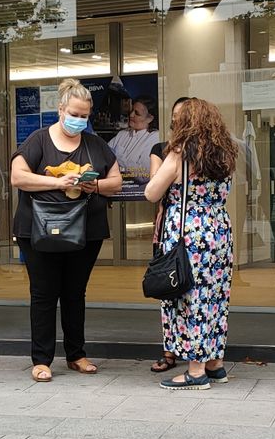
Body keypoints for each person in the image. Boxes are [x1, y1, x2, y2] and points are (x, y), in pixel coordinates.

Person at [10, 79, 124, 382]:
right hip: (39, 228)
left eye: (85, 116)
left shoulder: (95, 144)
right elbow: (18, 177)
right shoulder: (38, 140)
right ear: (61, 109)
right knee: (44, 293)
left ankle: (77, 354)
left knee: (75, 292)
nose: (80, 120)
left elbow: (116, 182)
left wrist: (93, 184)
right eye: (75, 113)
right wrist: (58, 182)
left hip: (85, 230)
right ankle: (42, 359)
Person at [144, 98, 236, 390]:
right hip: (218, 230)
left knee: (189, 298)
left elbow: (151, 192)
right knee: (215, 298)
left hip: (188, 234)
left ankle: (195, 371)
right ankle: (215, 364)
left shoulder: (179, 154)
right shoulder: (224, 154)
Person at [147, 96, 192, 374]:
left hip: (186, 228)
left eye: (184, 114)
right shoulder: (161, 149)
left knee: (192, 292)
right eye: (175, 114)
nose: (178, 119)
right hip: (166, 229)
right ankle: (169, 349)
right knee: (168, 287)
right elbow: (156, 189)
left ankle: (191, 346)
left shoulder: (203, 151)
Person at [108, 95, 159, 183]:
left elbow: (144, 175)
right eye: (131, 111)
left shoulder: (154, 137)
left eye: (137, 113)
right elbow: (104, 155)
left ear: (150, 118)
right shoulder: (122, 134)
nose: (131, 115)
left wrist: (117, 156)